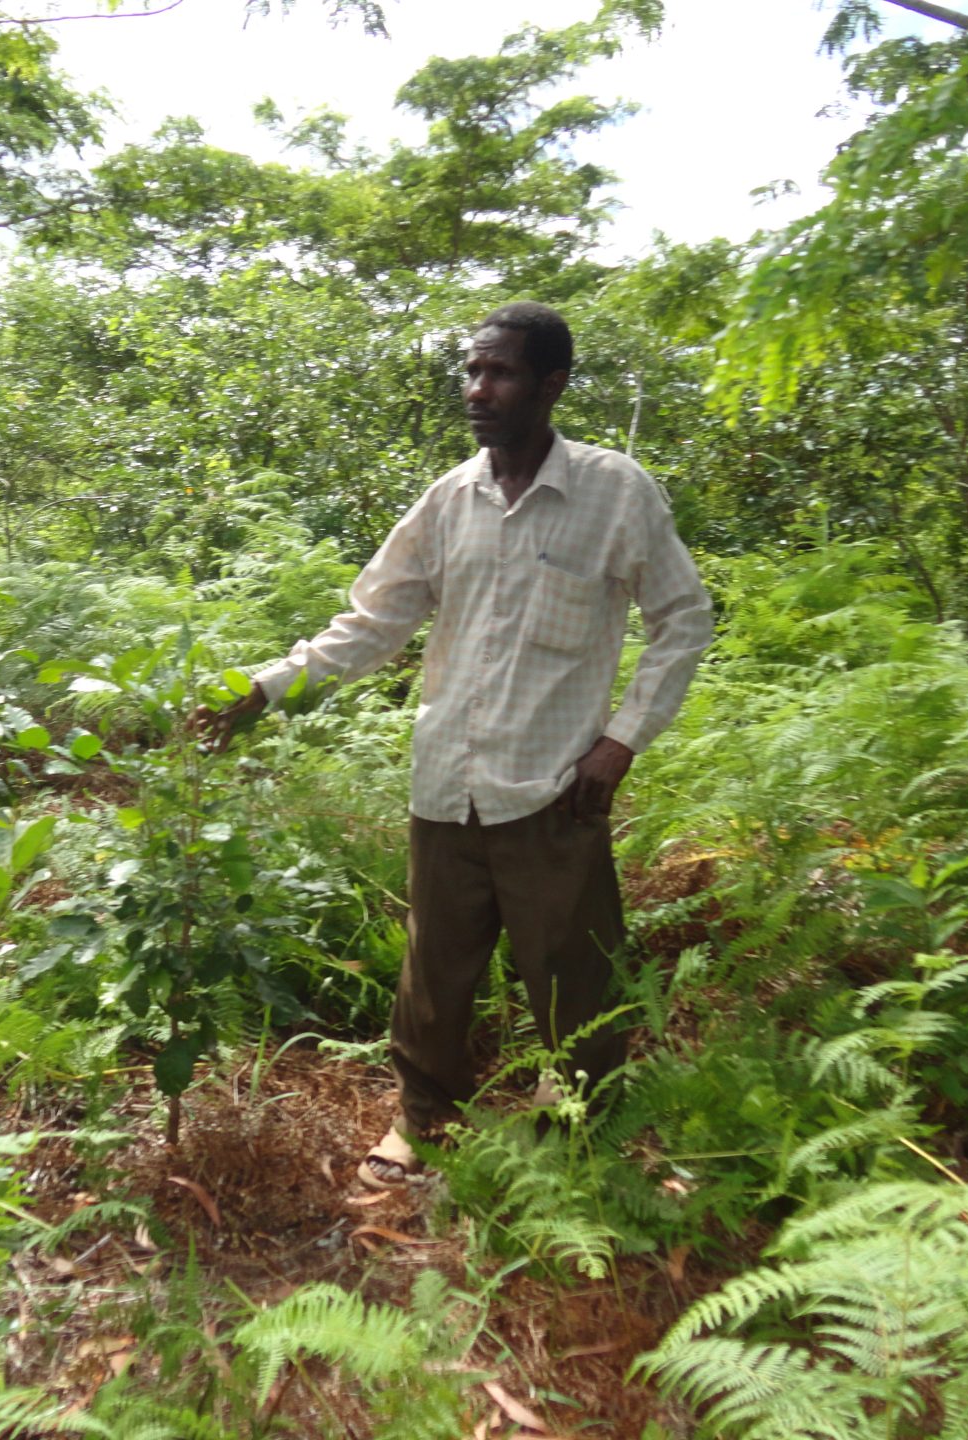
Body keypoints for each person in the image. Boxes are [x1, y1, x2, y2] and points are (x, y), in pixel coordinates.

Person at [195, 301, 713, 1188]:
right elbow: (370, 625)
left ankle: (588, 1126)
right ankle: (427, 1119)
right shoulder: (449, 500)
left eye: (501, 372)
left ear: (552, 385)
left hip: (553, 787)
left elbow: (683, 617)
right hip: (446, 780)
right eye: (473, 371)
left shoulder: (614, 492)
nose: (478, 390)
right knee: (434, 970)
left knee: (573, 976)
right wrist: (266, 687)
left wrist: (621, 741)